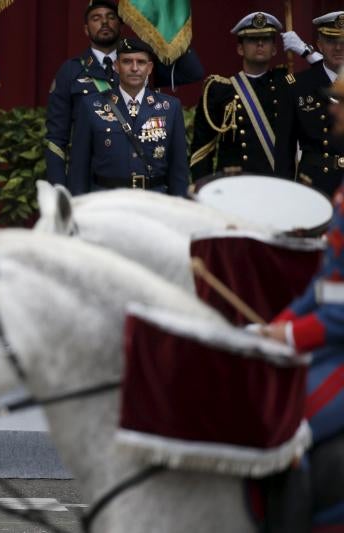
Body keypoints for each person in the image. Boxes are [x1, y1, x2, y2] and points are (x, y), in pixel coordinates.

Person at [261, 68, 344, 532]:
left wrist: (292, 334)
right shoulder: (340, 193)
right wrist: (282, 320)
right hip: (332, 342)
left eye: (339, 102)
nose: (331, 109)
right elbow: (331, 283)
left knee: (283, 427)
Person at [45, 0, 203, 187]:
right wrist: (58, 186)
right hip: (99, 176)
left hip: (147, 173)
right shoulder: (71, 71)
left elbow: (193, 72)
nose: (104, 22)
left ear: (121, 25)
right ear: (86, 29)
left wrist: (168, 32)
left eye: (111, 17)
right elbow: (56, 136)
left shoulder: (143, 61)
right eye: (96, 18)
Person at [67, 38, 187, 196]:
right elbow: (78, 168)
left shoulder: (170, 108)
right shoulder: (91, 105)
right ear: (116, 66)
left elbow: (178, 170)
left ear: (150, 68)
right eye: (127, 61)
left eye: (141, 62)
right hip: (107, 203)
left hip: (154, 202)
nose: (135, 68)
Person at [191, 12, 295, 179]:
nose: (260, 44)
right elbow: (203, 149)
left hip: (277, 185)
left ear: (275, 49)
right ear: (240, 49)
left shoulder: (287, 83)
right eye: (253, 40)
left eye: (266, 39)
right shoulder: (219, 90)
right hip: (235, 185)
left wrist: (307, 53)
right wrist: (202, 187)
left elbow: (328, 84)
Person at [275, 11, 344, 198]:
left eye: (343, 41)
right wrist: (284, 194)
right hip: (315, 185)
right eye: (331, 41)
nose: (338, 47)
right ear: (319, 45)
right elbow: (284, 151)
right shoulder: (298, 85)